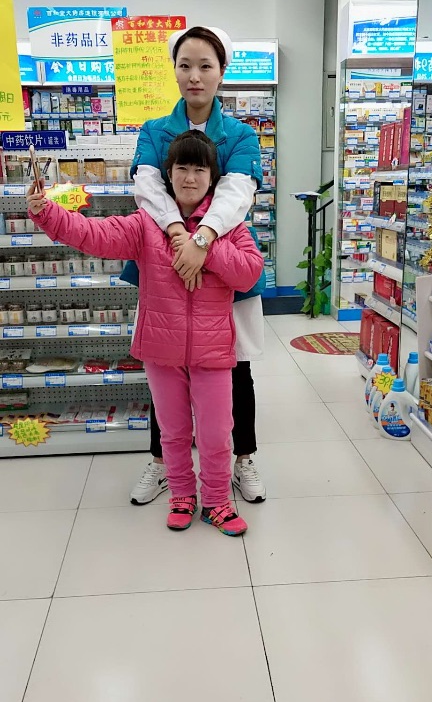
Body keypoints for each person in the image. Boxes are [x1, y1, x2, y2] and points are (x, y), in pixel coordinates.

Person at [27, 131, 264, 537]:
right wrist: (46, 212)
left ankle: (217, 501)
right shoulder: (146, 225)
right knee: (173, 432)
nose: (190, 177)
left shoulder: (228, 226)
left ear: (213, 177)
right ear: (168, 174)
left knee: (215, 433)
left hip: (213, 351)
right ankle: (181, 496)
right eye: (181, 168)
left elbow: (249, 272)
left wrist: (203, 246)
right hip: (160, 349)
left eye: (200, 169)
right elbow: (94, 234)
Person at [121, 25, 267, 507]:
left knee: (235, 369)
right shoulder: (154, 131)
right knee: (165, 369)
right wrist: (177, 234)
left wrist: (203, 240)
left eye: (206, 66)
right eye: (185, 65)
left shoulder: (241, 135)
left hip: (224, 266)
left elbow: (237, 192)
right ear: (175, 70)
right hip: (165, 269)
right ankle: (163, 462)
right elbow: (147, 186)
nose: (195, 76)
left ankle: (242, 458)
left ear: (222, 71)